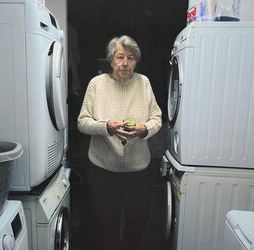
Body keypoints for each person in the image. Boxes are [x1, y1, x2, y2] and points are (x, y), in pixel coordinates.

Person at [77, 35, 162, 250]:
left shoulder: (143, 83)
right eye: (120, 57)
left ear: (136, 61)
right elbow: (82, 122)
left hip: (137, 168)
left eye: (131, 58)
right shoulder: (97, 84)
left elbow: (157, 119)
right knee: (106, 223)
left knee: (139, 219)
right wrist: (106, 127)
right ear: (111, 59)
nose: (125, 63)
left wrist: (144, 129)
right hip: (103, 168)